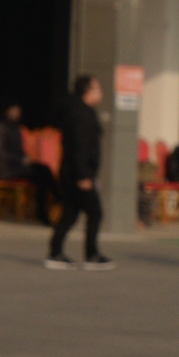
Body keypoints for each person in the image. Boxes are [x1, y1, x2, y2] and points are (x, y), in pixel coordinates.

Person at [46, 78, 111, 269]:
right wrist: (84, 176)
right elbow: (80, 148)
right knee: (95, 213)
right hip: (77, 174)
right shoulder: (81, 115)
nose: (101, 93)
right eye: (98, 89)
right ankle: (91, 255)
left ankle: (55, 253)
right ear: (87, 91)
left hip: (73, 172)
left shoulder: (79, 111)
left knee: (70, 214)